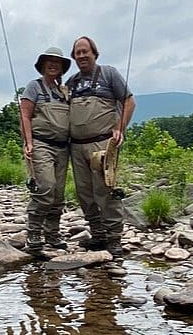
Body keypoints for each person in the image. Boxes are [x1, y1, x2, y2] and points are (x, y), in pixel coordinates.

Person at [67, 36, 136, 257]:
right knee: (84, 193)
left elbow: (129, 101)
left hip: (103, 143)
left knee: (105, 191)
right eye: (78, 53)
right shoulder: (71, 83)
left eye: (85, 51)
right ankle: (98, 235)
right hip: (76, 146)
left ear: (95, 53)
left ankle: (114, 238)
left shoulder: (109, 74)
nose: (82, 56)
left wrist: (120, 128)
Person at [20, 47, 71, 252]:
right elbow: (24, 114)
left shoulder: (64, 92)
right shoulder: (34, 87)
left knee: (58, 193)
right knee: (46, 187)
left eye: (57, 62)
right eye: (49, 61)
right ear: (42, 65)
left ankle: (52, 233)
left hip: (63, 147)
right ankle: (33, 232)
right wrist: (28, 142)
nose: (53, 65)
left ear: (61, 68)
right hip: (41, 144)